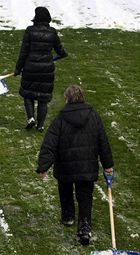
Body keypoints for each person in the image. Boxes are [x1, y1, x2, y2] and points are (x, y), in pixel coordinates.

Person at [37, 85, 114, 245]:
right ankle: (84, 227)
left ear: (67, 98)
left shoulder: (60, 118)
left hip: (65, 165)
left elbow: (50, 143)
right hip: (87, 166)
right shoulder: (93, 116)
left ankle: (68, 216)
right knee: (85, 196)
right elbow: (103, 142)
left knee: (65, 190)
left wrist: (44, 166)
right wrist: (107, 165)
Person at [14, 6, 68, 132]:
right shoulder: (52, 32)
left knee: (27, 94)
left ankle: (31, 118)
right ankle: (40, 125)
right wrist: (54, 57)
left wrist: (18, 68)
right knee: (43, 98)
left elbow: (24, 52)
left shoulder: (30, 31)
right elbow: (61, 52)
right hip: (47, 70)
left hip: (30, 68)